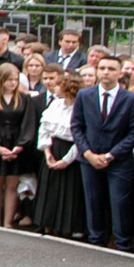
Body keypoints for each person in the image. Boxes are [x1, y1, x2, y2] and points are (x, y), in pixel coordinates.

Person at [72, 56, 134, 251]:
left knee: (119, 201)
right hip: (89, 157)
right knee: (92, 199)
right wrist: (87, 152)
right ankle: (95, 240)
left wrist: (111, 155)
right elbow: (77, 126)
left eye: (111, 69)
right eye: (103, 68)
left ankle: (122, 242)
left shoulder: (131, 100)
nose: (106, 72)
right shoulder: (84, 95)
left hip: (118, 160)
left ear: (120, 73)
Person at [0, 61, 34, 229]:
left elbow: (28, 123)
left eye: (15, 80)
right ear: (0, 80)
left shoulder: (24, 99)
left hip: (16, 143)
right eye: (9, 80)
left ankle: (8, 221)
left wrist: (20, 146)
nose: (13, 83)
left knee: (12, 185)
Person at [37, 70, 87, 242]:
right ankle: (47, 223)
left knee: (70, 191)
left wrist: (67, 160)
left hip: (71, 153)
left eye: (58, 84)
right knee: (50, 189)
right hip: (53, 148)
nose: (54, 87)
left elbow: (81, 136)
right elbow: (44, 127)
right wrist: (47, 151)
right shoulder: (55, 105)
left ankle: (67, 227)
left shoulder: (81, 108)